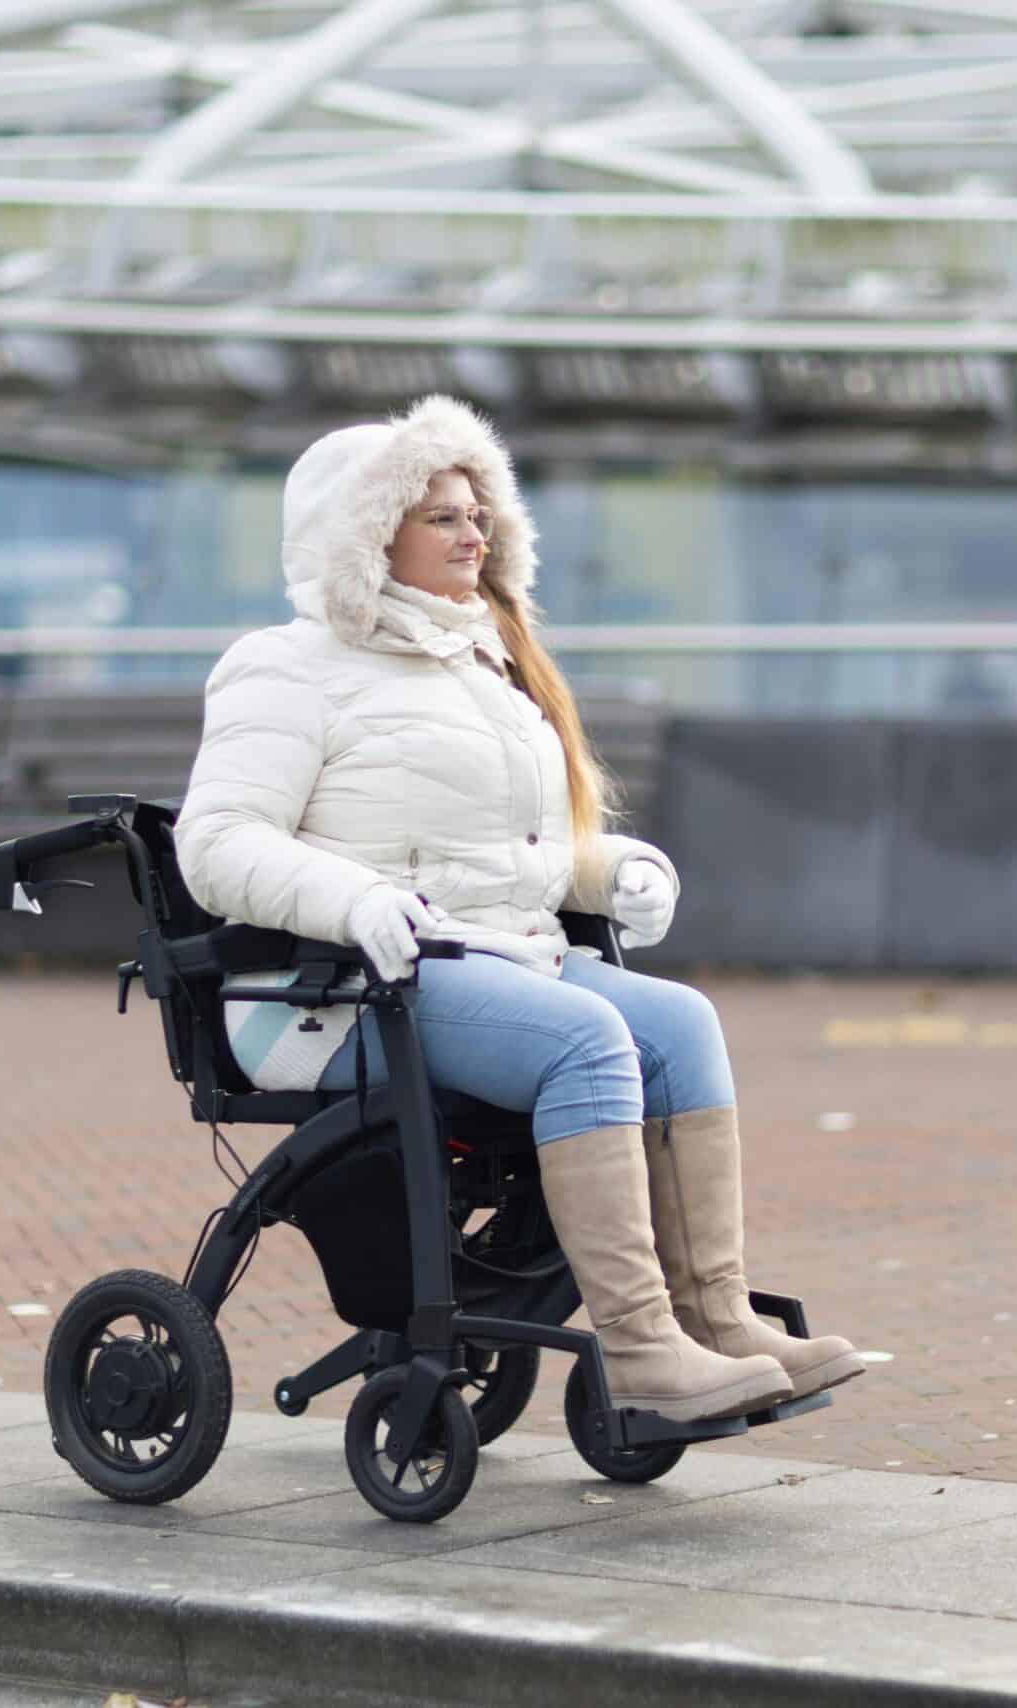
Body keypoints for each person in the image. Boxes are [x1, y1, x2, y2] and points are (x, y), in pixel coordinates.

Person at [175, 395, 861, 1424]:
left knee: (680, 1023)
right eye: (441, 515)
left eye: (477, 511)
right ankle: (639, 1352)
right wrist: (356, 897)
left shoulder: (481, 663)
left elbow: (503, 852)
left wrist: (608, 869)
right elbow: (217, 845)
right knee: (587, 1037)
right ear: (366, 537)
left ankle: (715, 1317)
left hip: (490, 957)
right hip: (333, 990)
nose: (473, 530)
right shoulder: (285, 668)